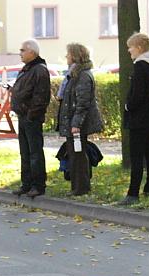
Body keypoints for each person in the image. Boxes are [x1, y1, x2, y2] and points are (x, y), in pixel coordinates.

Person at [121, 32, 149, 206]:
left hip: (140, 119)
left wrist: (128, 106)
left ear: (139, 48)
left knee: (137, 156)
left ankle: (133, 193)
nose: (129, 51)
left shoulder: (140, 66)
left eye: (131, 47)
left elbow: (137, 94)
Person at [57, 43, 103, 196]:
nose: (66, 56)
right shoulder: (75, 74)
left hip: (77, 123)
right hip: (73, 121)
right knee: (75, 154)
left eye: (69, 54)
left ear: (75, 56)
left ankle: (81, 187)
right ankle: (77, 187)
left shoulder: (82, 76)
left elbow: (82, 102)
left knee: (78, 155)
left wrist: (76, 123)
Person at [10, 39, 51, 198]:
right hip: (23, 115)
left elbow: (41, 96)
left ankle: (38, 185)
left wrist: (31, 114)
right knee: (25, 152)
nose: (20, 53)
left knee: (34, 153)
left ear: (32, 52)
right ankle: (26, 184)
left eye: (22, 50)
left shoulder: (39, 70)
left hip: (31, 117)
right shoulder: (27, 69)